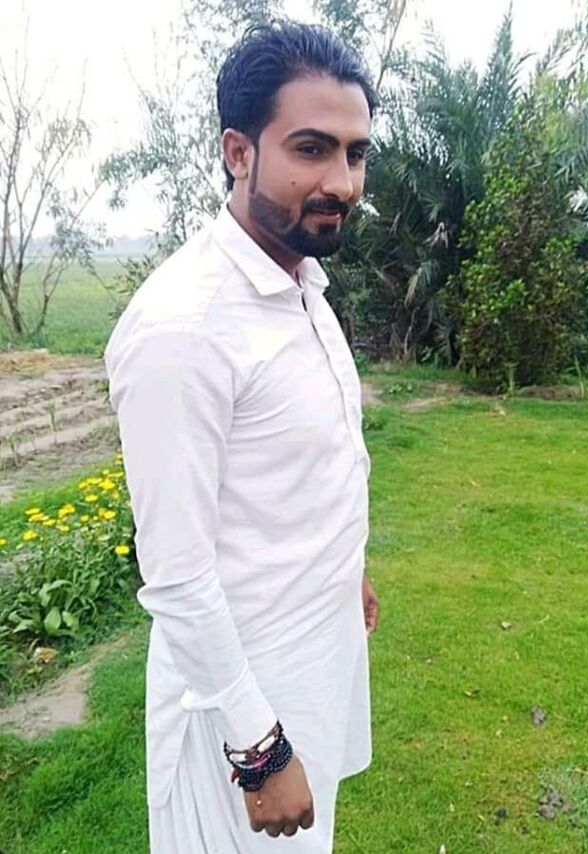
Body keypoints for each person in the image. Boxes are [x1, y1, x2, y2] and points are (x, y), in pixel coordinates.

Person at [104, 19, 379, 854]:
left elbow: (300, 471)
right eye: (311, 149)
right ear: (237, 152)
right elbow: (177, 573)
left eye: (356, 154)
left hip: (316, 660)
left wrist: (346, 571)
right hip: (238, 712)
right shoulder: (186, 326)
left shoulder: (299, 283)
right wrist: (259, 751)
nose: (342, 182)